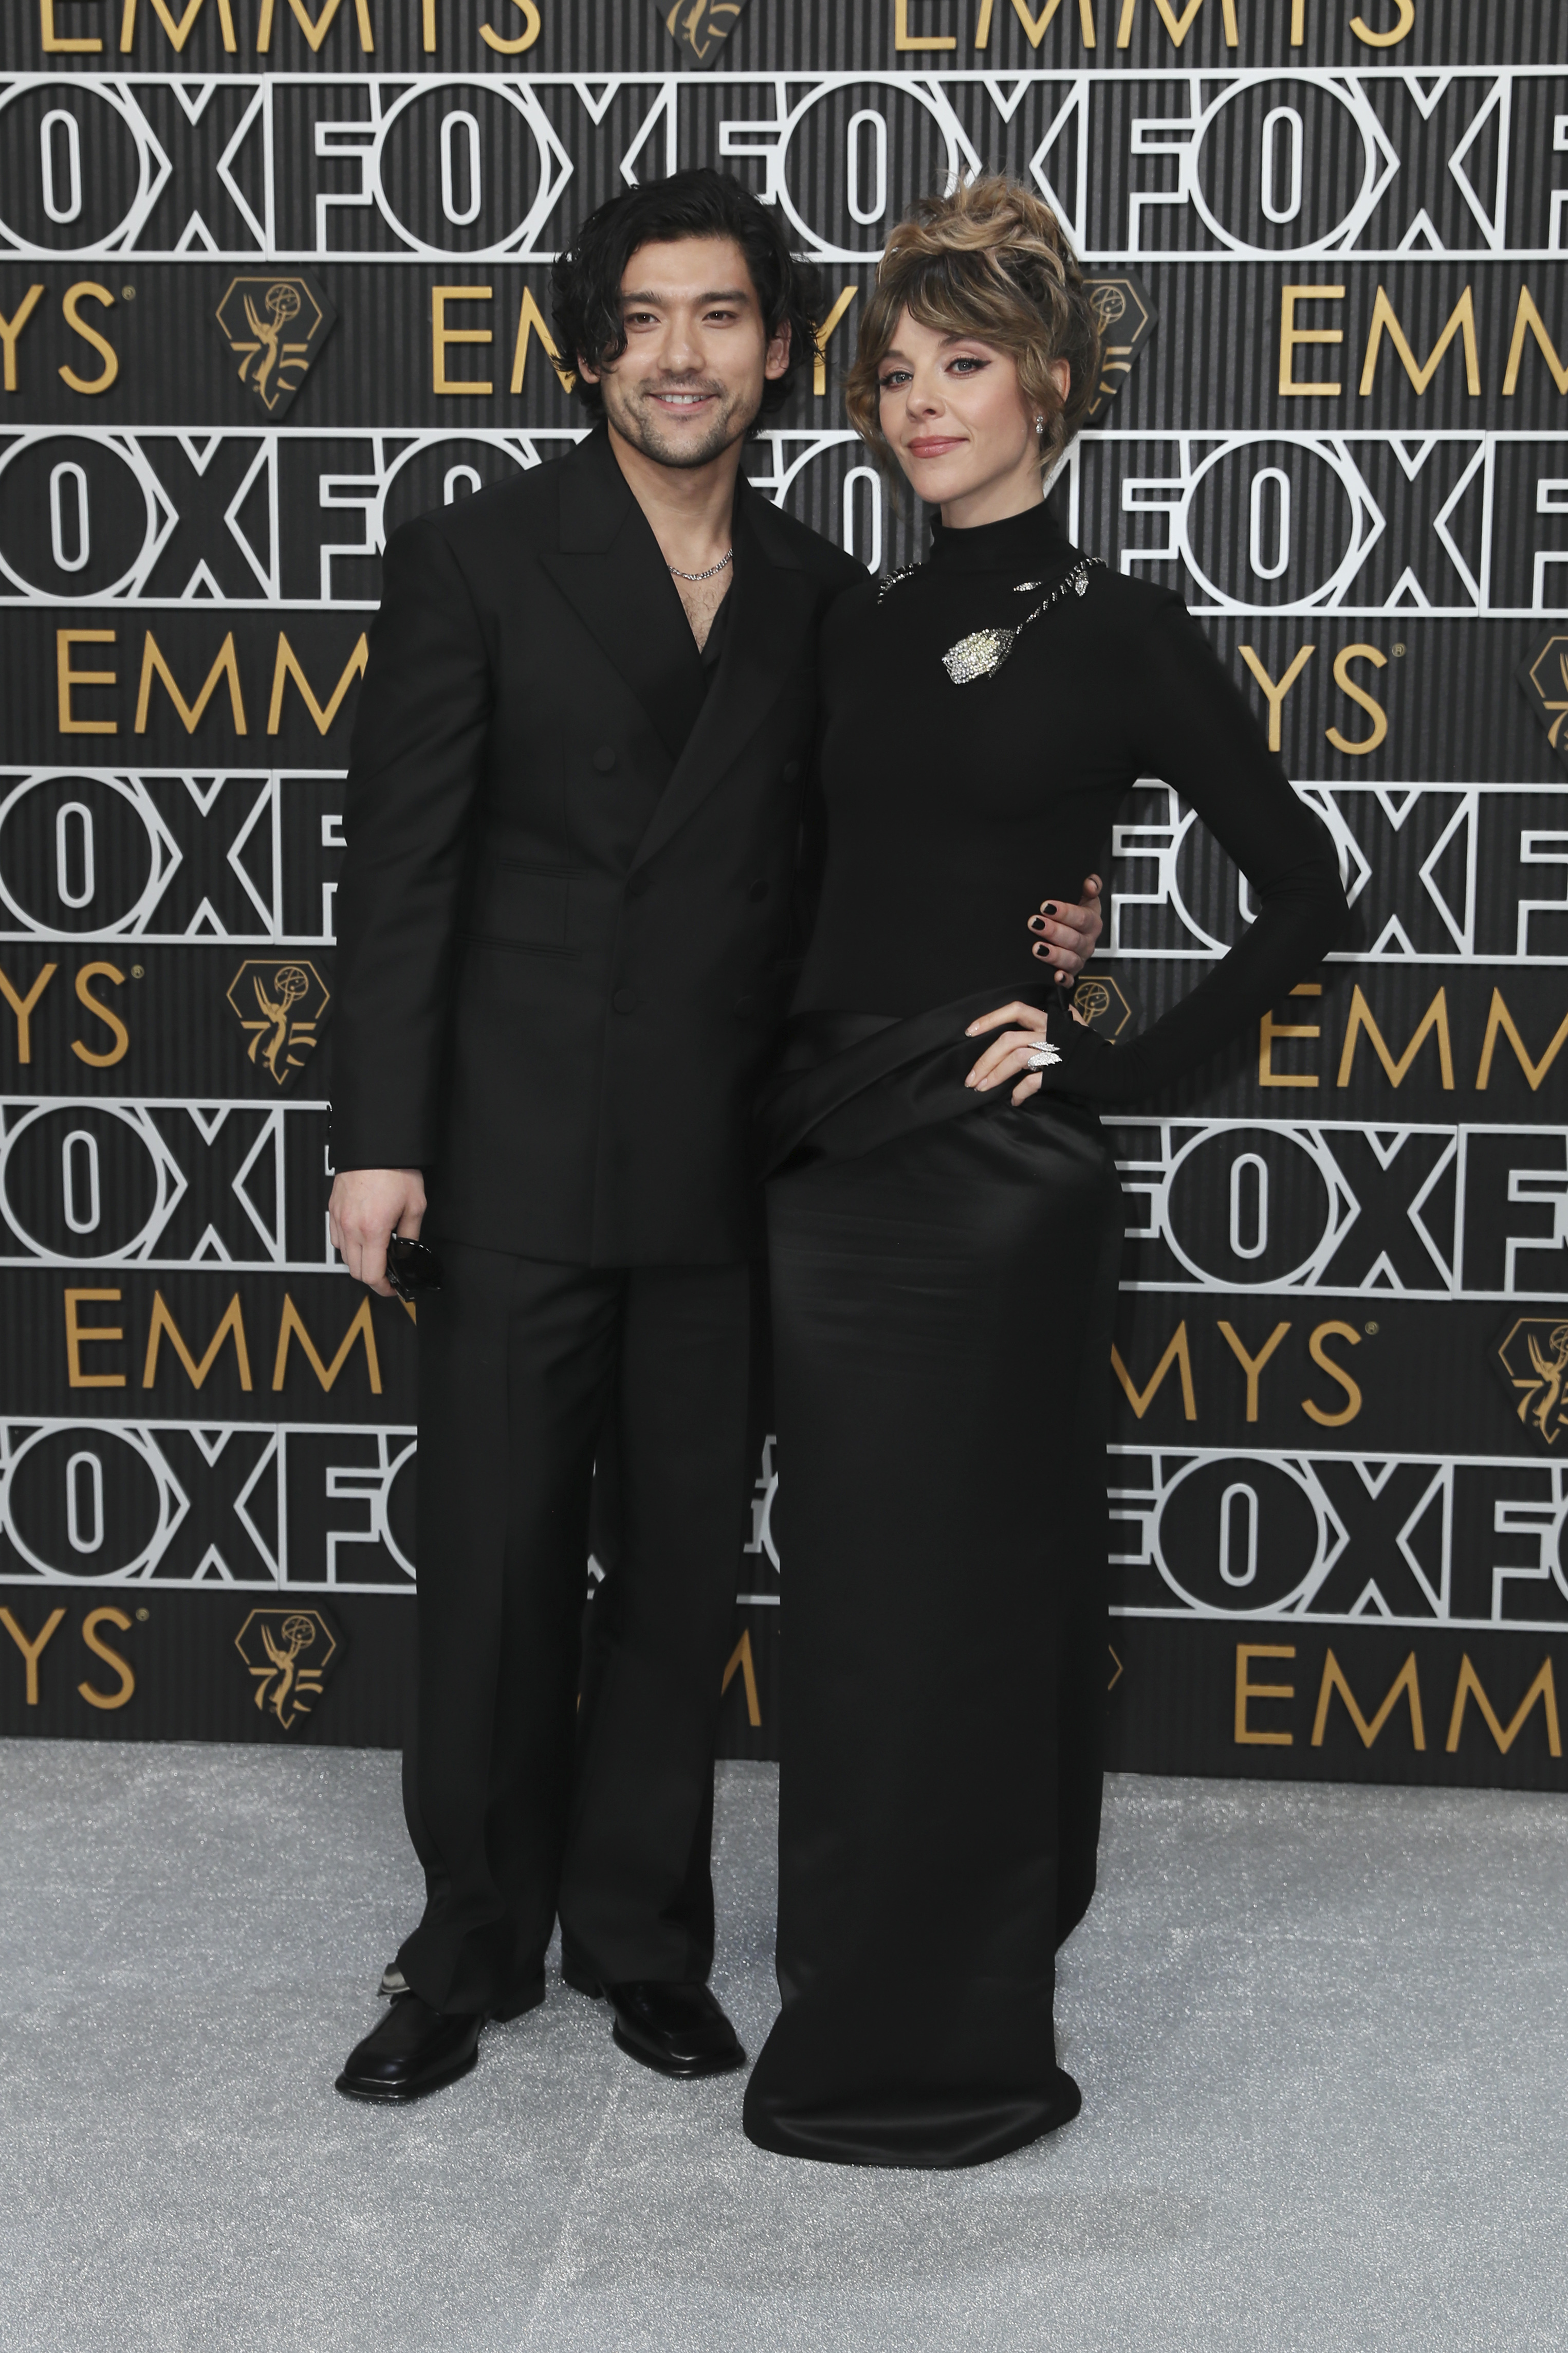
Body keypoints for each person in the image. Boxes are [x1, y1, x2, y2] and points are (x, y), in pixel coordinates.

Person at [325, 168, 1105, 2105]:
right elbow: (401, 877)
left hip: (725, 1165)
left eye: (724, 317)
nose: (683, 355)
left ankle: (642, 1942)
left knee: (678, 1580)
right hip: (505, 1162)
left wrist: (1042, 925)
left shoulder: (823, 596)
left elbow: (873, 860)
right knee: (498, 1574)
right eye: (646, 317)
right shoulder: (479, 556)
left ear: (775, 353)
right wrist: (376, 1140)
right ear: (594, 345)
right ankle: (465, 1950)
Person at [741, 177, 1349, 2169]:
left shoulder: (1128, 631)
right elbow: (825, 879)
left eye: (964, 365)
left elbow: (1299, 892)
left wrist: (1101, 1058)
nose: (919, 402)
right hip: (827, 1161)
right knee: (844, 1599)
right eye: (893, 371)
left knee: (979, 1599)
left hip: (1001, 1174)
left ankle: (963, 2023)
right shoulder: (846, 615)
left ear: (1057, 388)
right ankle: (850, 1959)